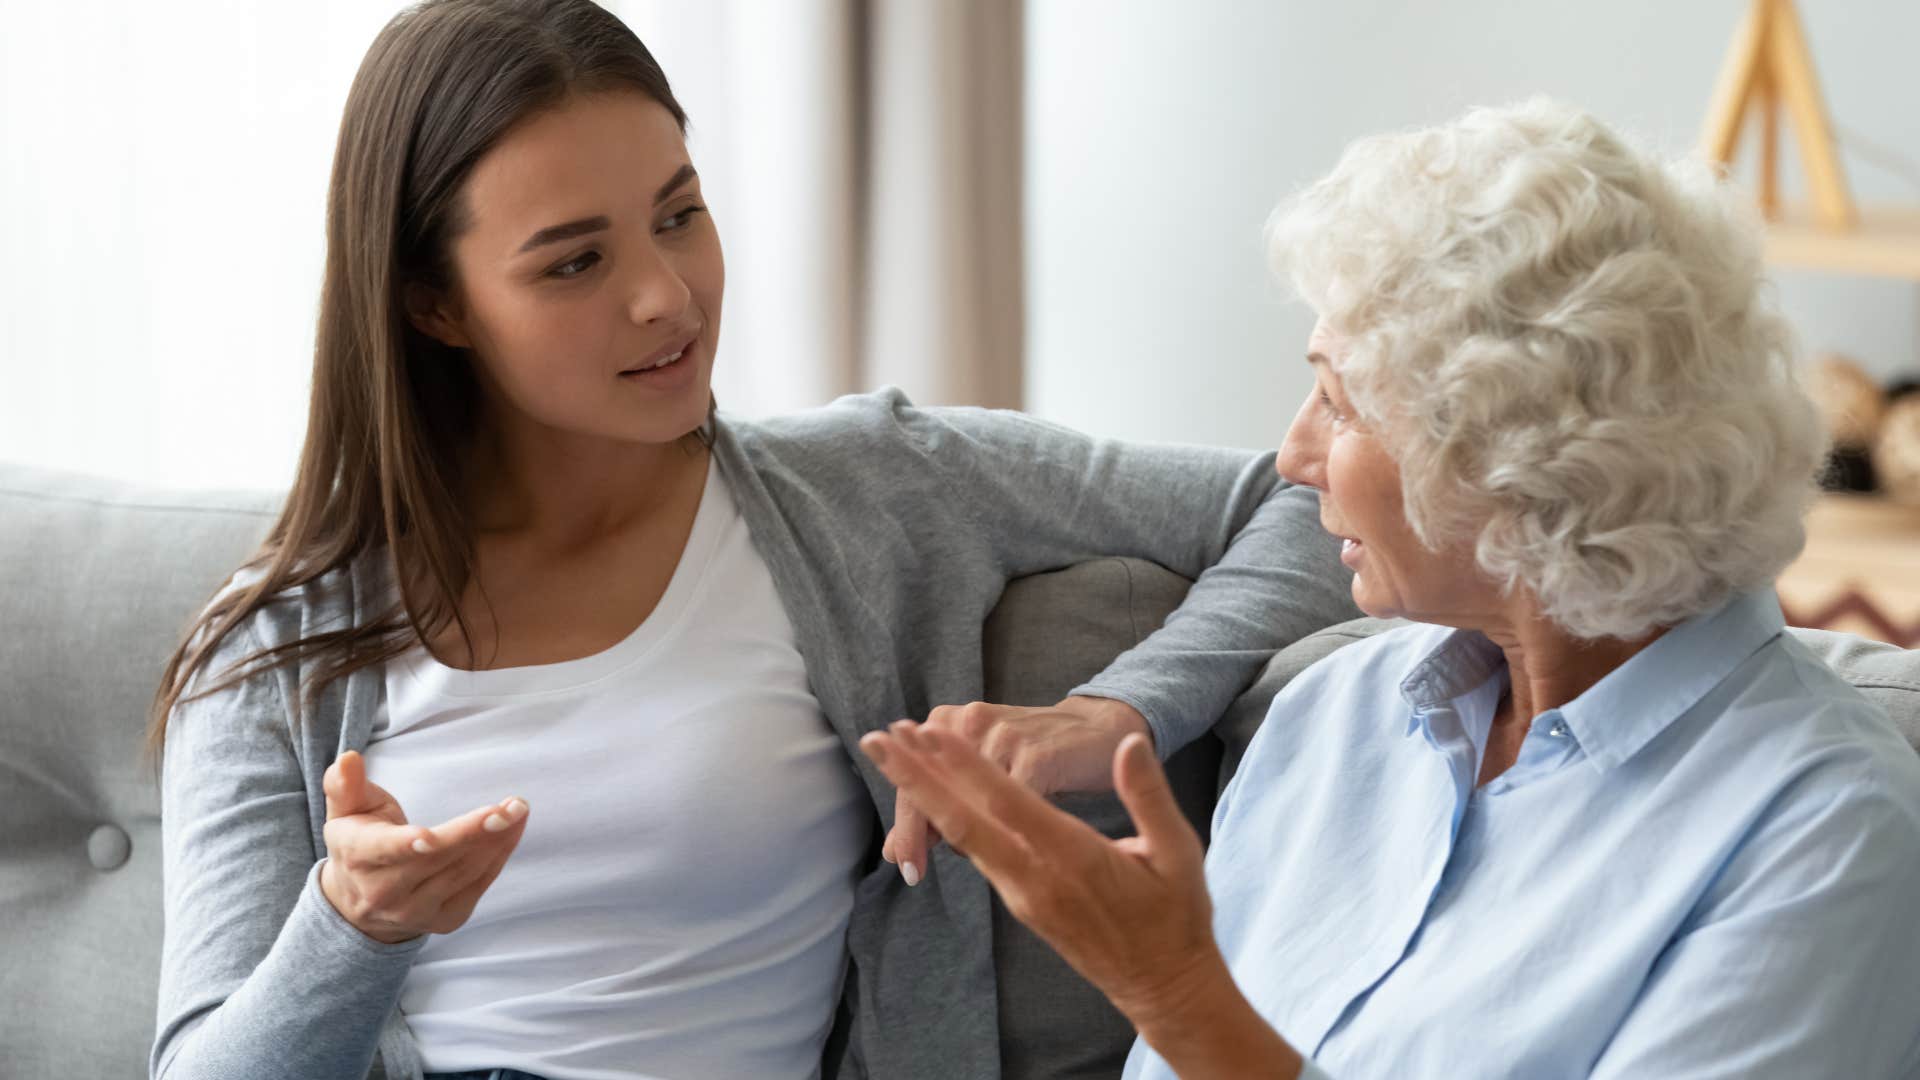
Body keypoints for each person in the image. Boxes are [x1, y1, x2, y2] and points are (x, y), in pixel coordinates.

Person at [145, 2, 1357, 1079]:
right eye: (576, 261)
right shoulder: (273, 647)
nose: (666, 295)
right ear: (434, 304)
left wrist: (1120, 711)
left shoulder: (873, 485)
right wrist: (354, 927)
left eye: (680, 215)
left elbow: (1309, 497)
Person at [859, 97, 1920, 1078]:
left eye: (1341, 403)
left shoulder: (1824, 830)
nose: (1293, 456)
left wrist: (1172, 989)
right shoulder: (1335, 717)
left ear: (1523, 454)